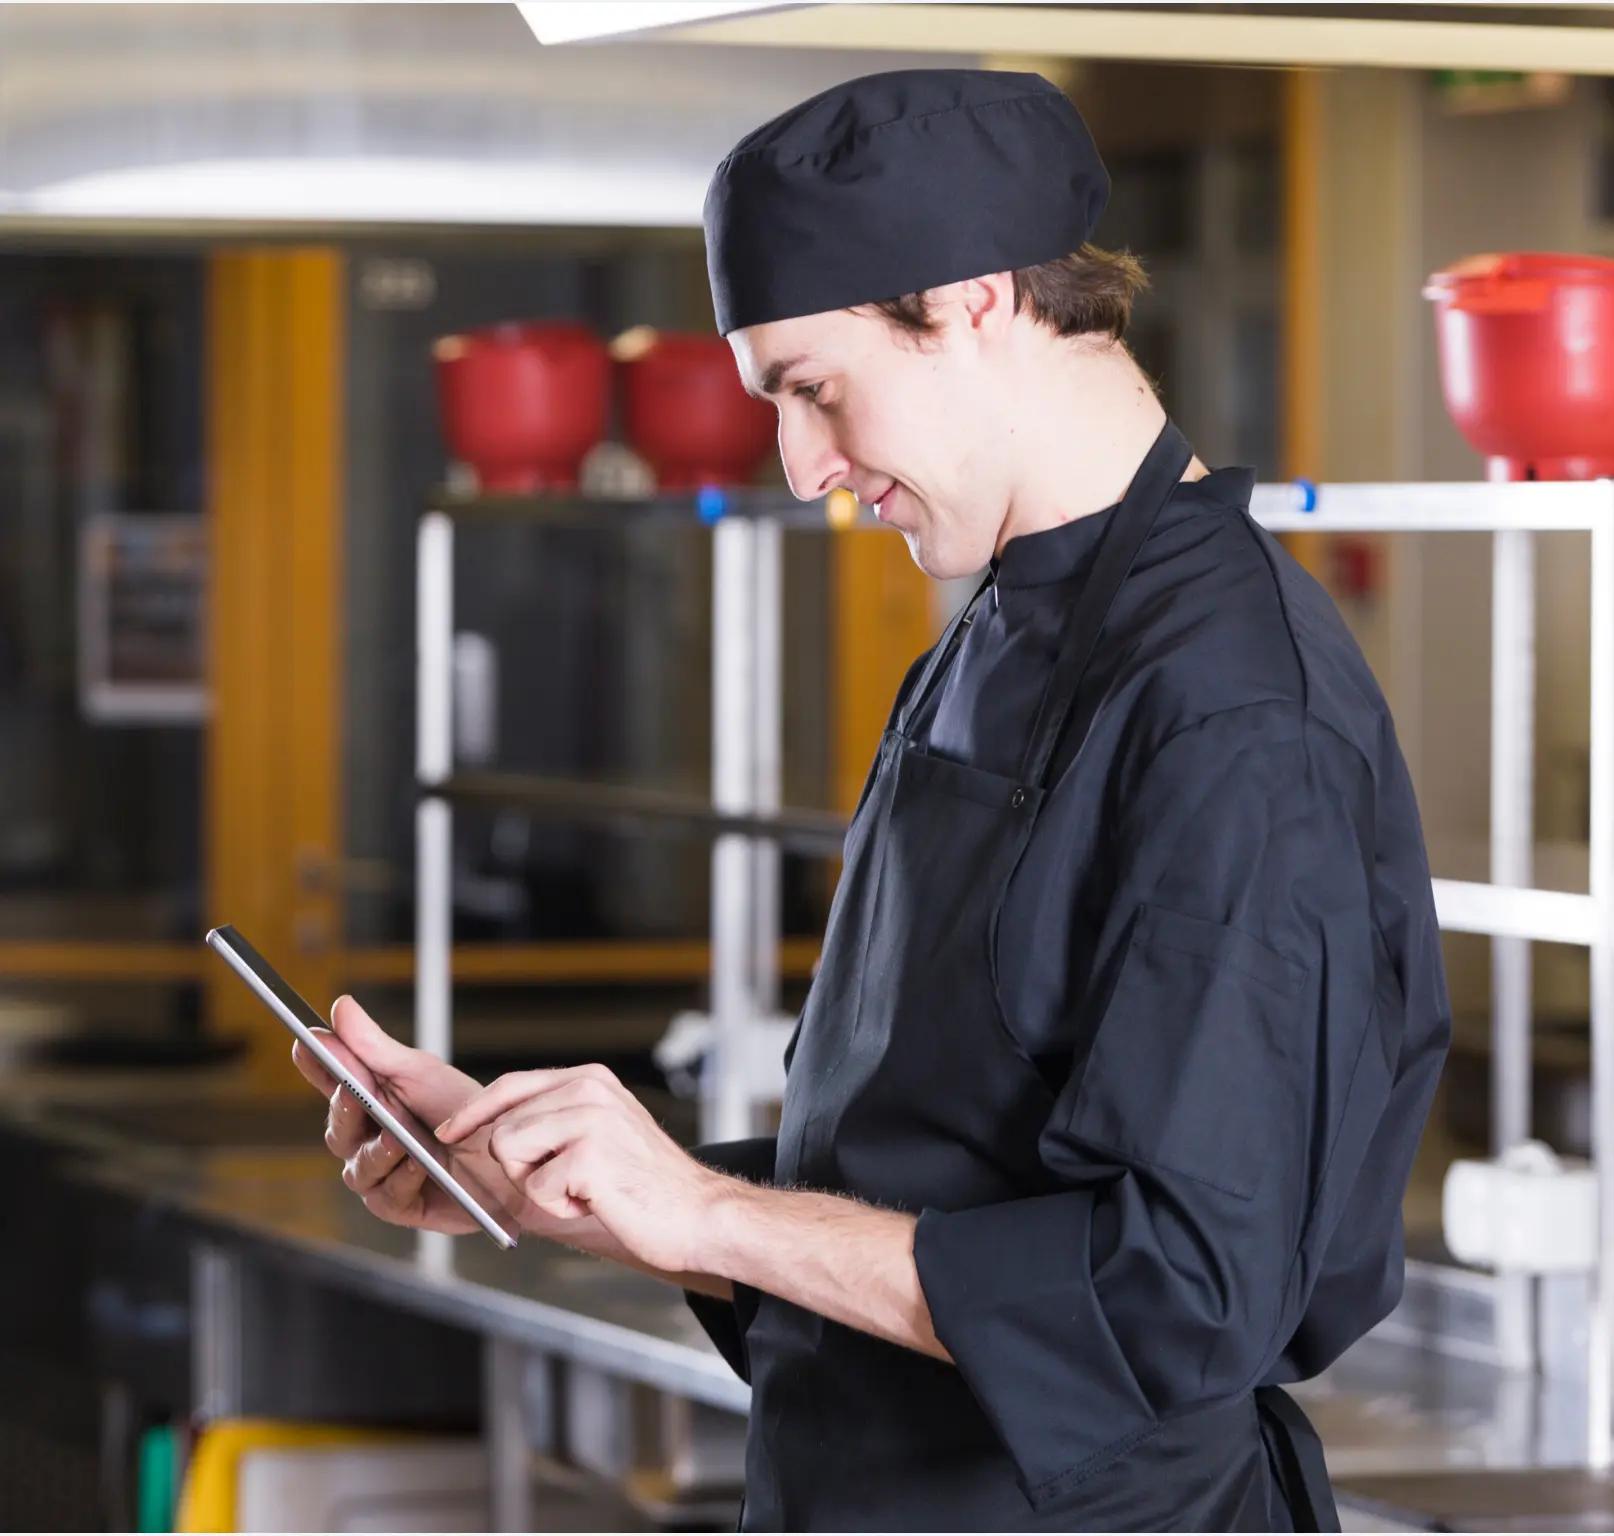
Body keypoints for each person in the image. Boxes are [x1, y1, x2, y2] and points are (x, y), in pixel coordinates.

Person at [299, 68, 1449, 1531]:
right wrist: (571, 1183)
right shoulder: (991, 631)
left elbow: (1175, 1297)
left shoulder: (1233, 709)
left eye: (815, 388)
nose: (803, 465)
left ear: (971, 298)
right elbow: (926, 1184)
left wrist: (707, 1209)